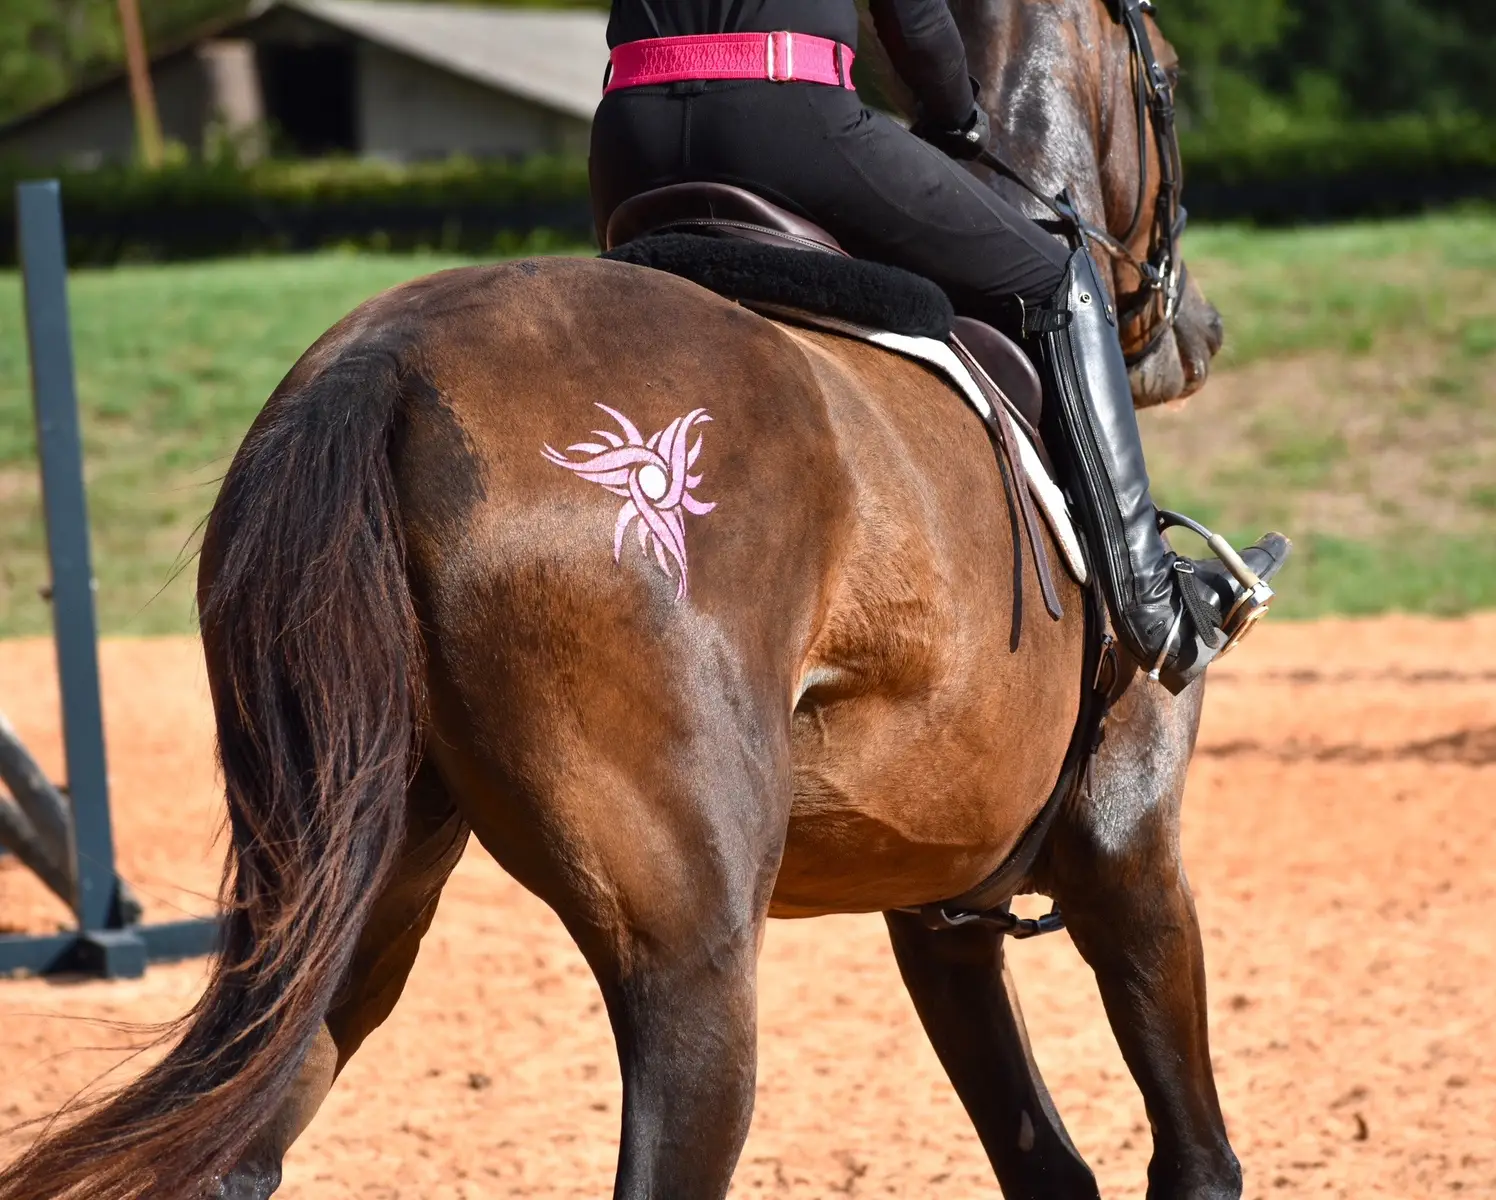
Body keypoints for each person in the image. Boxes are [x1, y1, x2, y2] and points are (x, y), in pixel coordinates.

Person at [589, 0, 1288, 692]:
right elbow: (914, 17)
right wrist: (955, 109)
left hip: (627, 141)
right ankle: (1156, 607)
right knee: (1057, 278)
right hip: (782, 117)